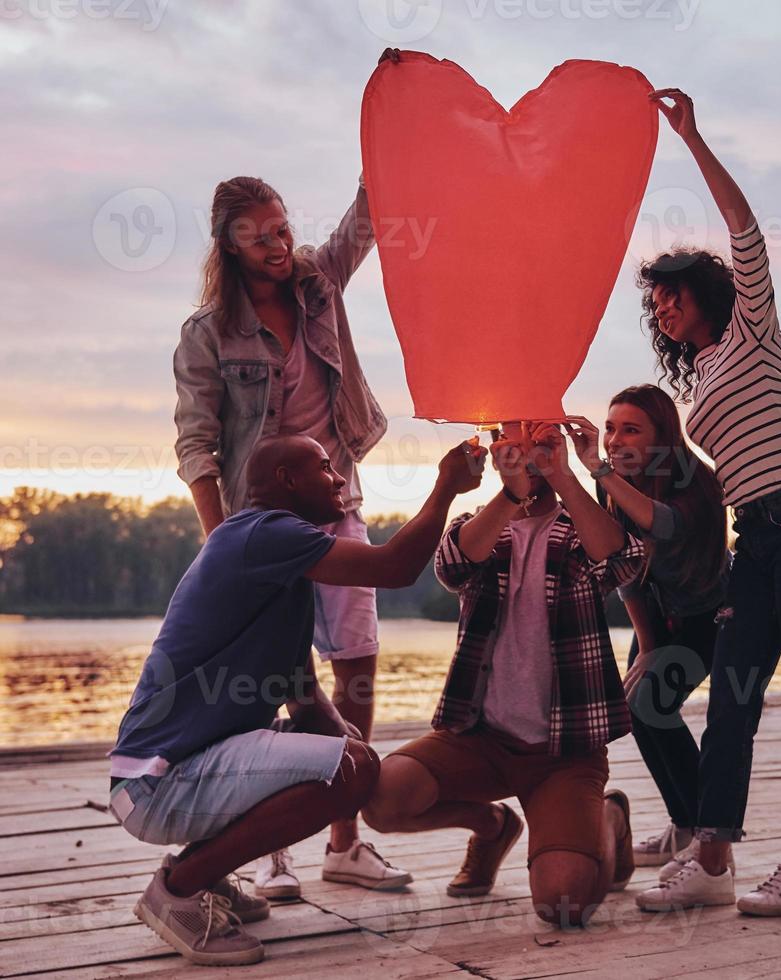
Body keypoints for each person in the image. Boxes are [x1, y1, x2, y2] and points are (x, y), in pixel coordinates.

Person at [107, 435, 486, 965]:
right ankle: (179, 890)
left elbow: (305, 699)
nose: (340, 481)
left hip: (173, 775)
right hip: (157, 783)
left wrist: (352, 753)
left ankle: (209, 875)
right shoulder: (262, 533)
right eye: (326, 468)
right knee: (349, 768)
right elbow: (394, 568)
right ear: (286, 480)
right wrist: (446, 488)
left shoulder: (278, 572)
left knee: (350, 760)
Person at [171, 50, 403, 899]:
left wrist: (389, 115)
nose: (276, 245)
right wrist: (223, 544)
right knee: (275, 680)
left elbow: (365, 221)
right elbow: (198, 444)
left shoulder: (316, 283)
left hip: (333, 492)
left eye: (279, 228)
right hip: (259, 522)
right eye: (258, 236)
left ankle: (344, 838)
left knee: (358, 662)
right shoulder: (208, 334)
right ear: (228, 244)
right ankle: (267, 852)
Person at [631, 88, 781, 917]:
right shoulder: (702, 377)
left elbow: (747, 231)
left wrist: (693, 139)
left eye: (671, 291)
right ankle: (715, 856)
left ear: (707, 292)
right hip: (757, 542)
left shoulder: (752, 329)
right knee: (730, 701)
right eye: (655, 299)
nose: (661, 305)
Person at [363, 422, 645, 928]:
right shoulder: (480, 525)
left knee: (564, 904)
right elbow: (451, 566)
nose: (526, 452)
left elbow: (624, 560)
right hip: (479, 740)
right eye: (512, 441)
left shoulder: (579, 524)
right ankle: (492, 825)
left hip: (564, 752)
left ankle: (608, 816)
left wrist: (564, 477)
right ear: (496, 451)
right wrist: (510, 496)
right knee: (383, 800)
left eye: (536, 439)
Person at [563, 384, 728, 872]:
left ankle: (708, 837)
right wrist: (649, 646)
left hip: (710, 616)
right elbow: (624, 567)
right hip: (656, 614)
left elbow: (663, 525)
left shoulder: (696, 482)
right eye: (610, 428)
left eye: (631, 429)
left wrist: (599, 469)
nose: (615, 440)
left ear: (662, 438)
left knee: (654, 707)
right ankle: (684, 827)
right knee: (637, 711)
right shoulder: (610, 484)